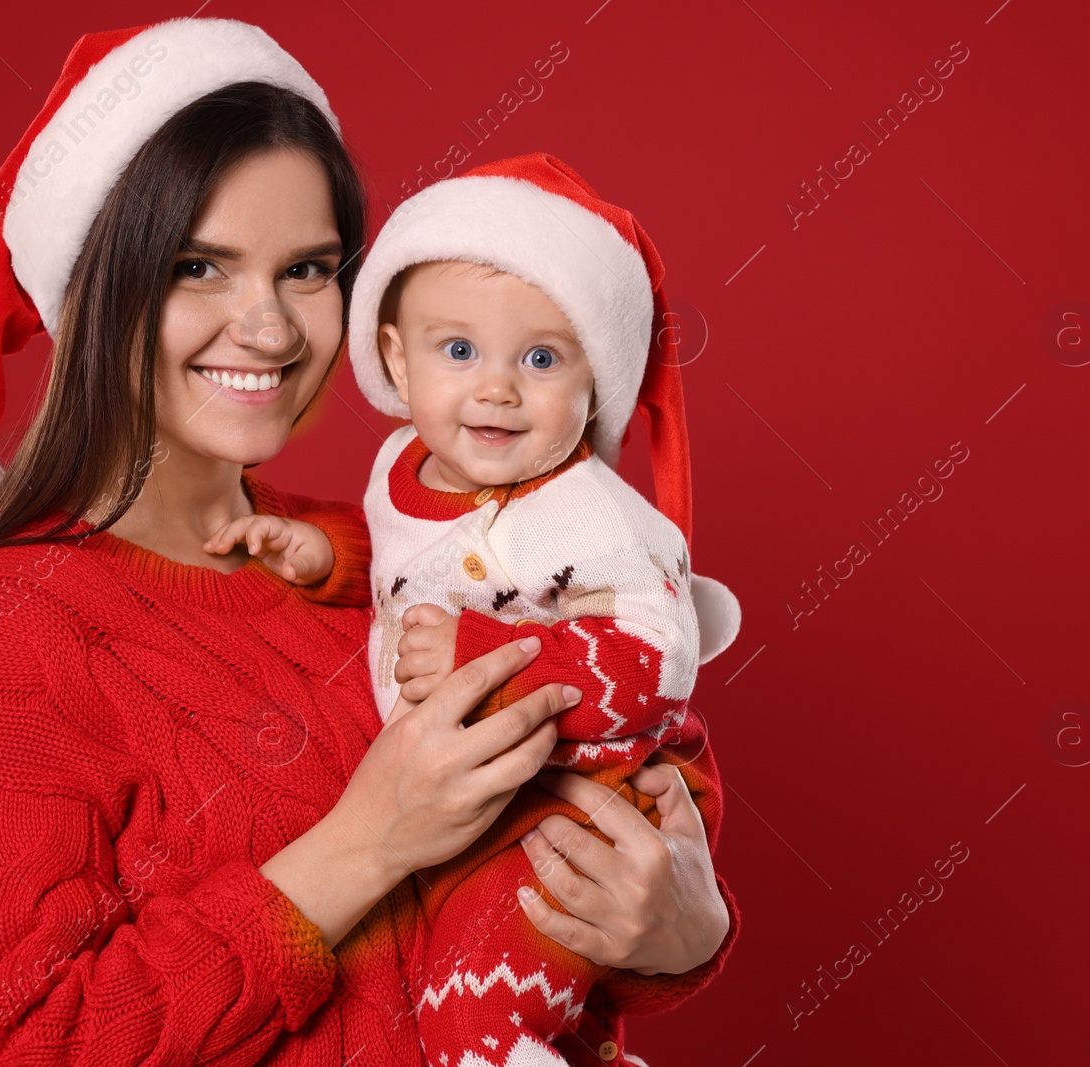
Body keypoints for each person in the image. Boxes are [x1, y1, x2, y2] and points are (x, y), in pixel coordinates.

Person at [0, 17, 737, 1067]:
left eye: (306, 269)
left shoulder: (369, 560)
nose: (272, 327)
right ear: (97, 288)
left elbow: (509, 874)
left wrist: (680, 933)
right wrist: (367, 839)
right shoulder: (20, 621)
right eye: (199, 265)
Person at [201, 153, 741, 1067]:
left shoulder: (590, 511)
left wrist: (482, 652)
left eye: (540, 359)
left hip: (581, 798)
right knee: (505, 989)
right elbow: (414, 562)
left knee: (476, 1003)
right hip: (487, 814)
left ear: (593, 382)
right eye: (459, 351)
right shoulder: (399, 469)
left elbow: (655, 659)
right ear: (395, 360)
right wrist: (330, 556)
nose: (496, 388)